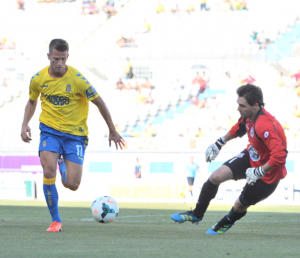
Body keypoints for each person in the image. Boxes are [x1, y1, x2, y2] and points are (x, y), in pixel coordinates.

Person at [20, 39, 124, 232]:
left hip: (75, 135)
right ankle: (56, 220)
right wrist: (25, 123)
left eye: (63, 59)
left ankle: (61, 163)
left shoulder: (78, 79)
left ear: (67, 57)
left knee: (72, 184)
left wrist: (112, 129)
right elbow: (32, 102)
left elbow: (99, 102)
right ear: (49, 56)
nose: (60, 63)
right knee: (48, 171)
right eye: (56, 59)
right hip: (49, 131)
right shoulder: (38, 79)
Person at [171, 84, 288, 235]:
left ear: (255, 105)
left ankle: (225, 223)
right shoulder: (249, 116)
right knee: (215, 176)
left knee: (239, 205)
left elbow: (280, 156)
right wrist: (218, 143)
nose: (238, 108)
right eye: (238, 104)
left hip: (268, 174)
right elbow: (238, 128)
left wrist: (259, 171)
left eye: (242, 105)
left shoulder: (264, 124)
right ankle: (196, 214)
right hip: (251, 156)